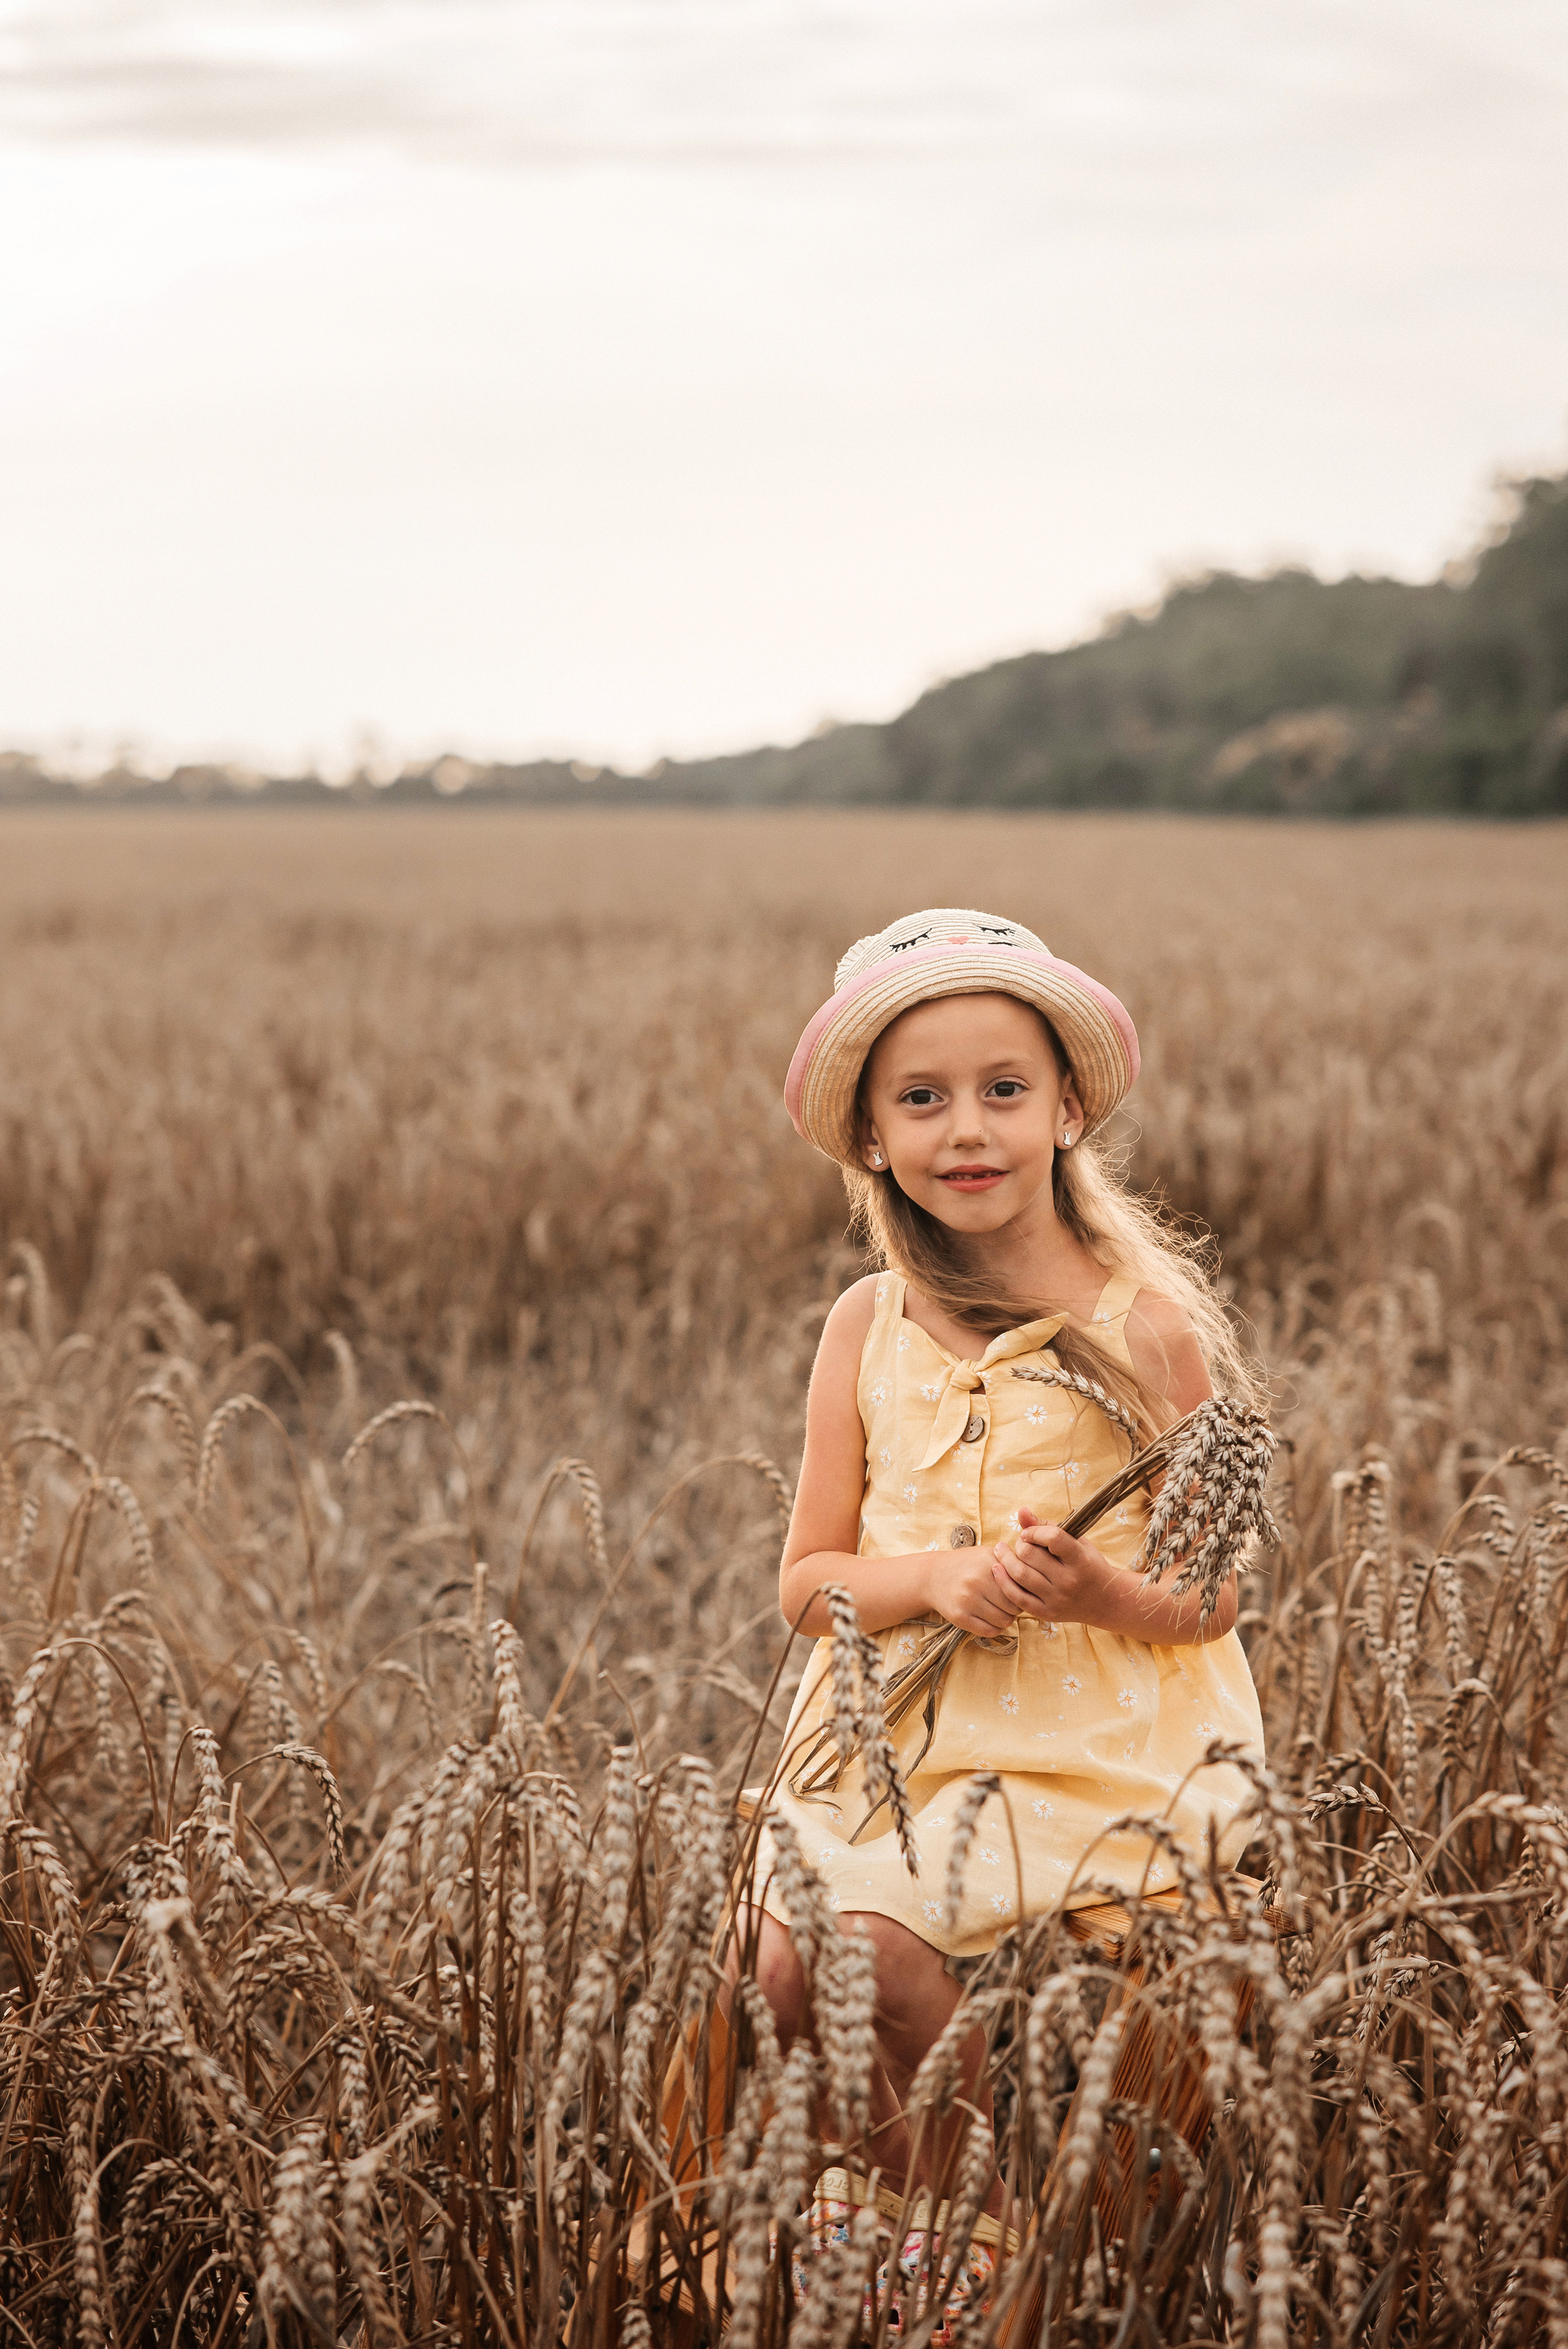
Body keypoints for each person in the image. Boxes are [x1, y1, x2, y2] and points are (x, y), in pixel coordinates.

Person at [742, 906, 1265, 2319]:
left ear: (1065, 1111)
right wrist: (930, 1581)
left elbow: (1215, 1592)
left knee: (867, 1951)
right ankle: (865, 2212)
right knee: (770, 1962)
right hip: (892, 1741)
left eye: (1001, 1089)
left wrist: (1093, 1589)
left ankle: (974, 2240)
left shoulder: (1142, 1325)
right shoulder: (863, 1325)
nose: (964, 1128)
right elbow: (805, 1584)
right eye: (919, 1099)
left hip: (1087, 1751)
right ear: (870, 1137)